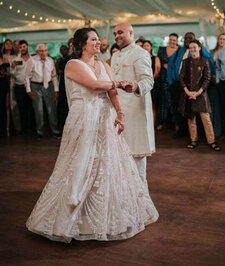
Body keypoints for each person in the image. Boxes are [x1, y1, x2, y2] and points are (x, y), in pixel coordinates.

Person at [26, 27, 158, 242]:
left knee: (107, 166)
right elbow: (96, 86)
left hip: (105, 118)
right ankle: (72, 218)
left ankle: (108, 217)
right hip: (83, 118)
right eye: (94, 39)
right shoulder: (72, 65)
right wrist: (119, 82)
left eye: (98, 39)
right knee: (80, 164)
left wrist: (121, 113)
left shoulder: (104, 64)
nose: (99, 43)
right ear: (83, 44)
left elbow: (111, 93)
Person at [110, 23, 155, 183]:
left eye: (120, 32)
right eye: (114, 33)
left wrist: (136, 86)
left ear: (131, 33)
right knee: (118, 161)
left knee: (136, 162)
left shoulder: (140, 53)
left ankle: (141, 202)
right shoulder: (115, 56)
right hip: (117, 113)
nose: (116, 36)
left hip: (135, 112)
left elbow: (148, 81)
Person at [179, 39, 220, 151]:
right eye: (191, 48)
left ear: (199, 48)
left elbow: (207, 78)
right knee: (191, 119)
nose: (193, 49)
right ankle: (193, 140)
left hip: (201, 93)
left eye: (195, 47)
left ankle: (212, 141)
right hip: (188, 94)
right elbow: (181, 78)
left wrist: (199, 92)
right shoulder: (185, 61)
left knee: (206, 119)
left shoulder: (205, 61)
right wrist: (188, 92)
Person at [25, 44, 61, 140]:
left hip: (49, 86)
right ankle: (39, 133)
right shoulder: (32, 60)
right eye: (41, 51)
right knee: (38, 111)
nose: (43, 52)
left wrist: (56, 90)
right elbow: (27, 77)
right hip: (35, 86)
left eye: (45, 50)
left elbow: (54, 76)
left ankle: (56, 132)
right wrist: (28, 91)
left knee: (52, 110)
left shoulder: (50, 60)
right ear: (37, 52)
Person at [156, 32, 179, 130]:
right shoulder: (162, 50)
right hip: (164, 79)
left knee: (175, 101)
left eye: (174, 40)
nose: (172, 42)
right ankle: (161, 122)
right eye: (171, 40)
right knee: (164, 101)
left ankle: (177, 123)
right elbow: (158, 63)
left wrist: (170, 67)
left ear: (177, 41)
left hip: (175, 79)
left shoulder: (180, 51)